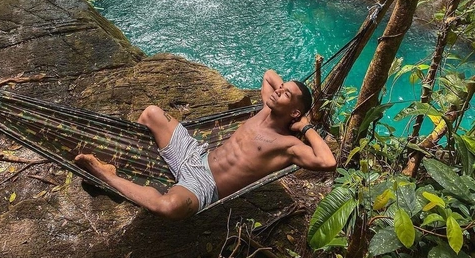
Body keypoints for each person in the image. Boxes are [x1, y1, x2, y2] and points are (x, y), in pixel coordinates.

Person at [75, 69, 336, 220]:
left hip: (203, 186)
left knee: (169, 207)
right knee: (152, 113)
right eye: (281, 88)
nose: (278, 91)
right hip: (195, 154)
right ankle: (122, 170)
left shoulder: (287, 145)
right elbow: (269, 75)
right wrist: (284, 91)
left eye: (286, 94)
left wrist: (305, 126)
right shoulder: (265, 109)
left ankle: (107, 176)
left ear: (295, 112)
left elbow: (328, 161)